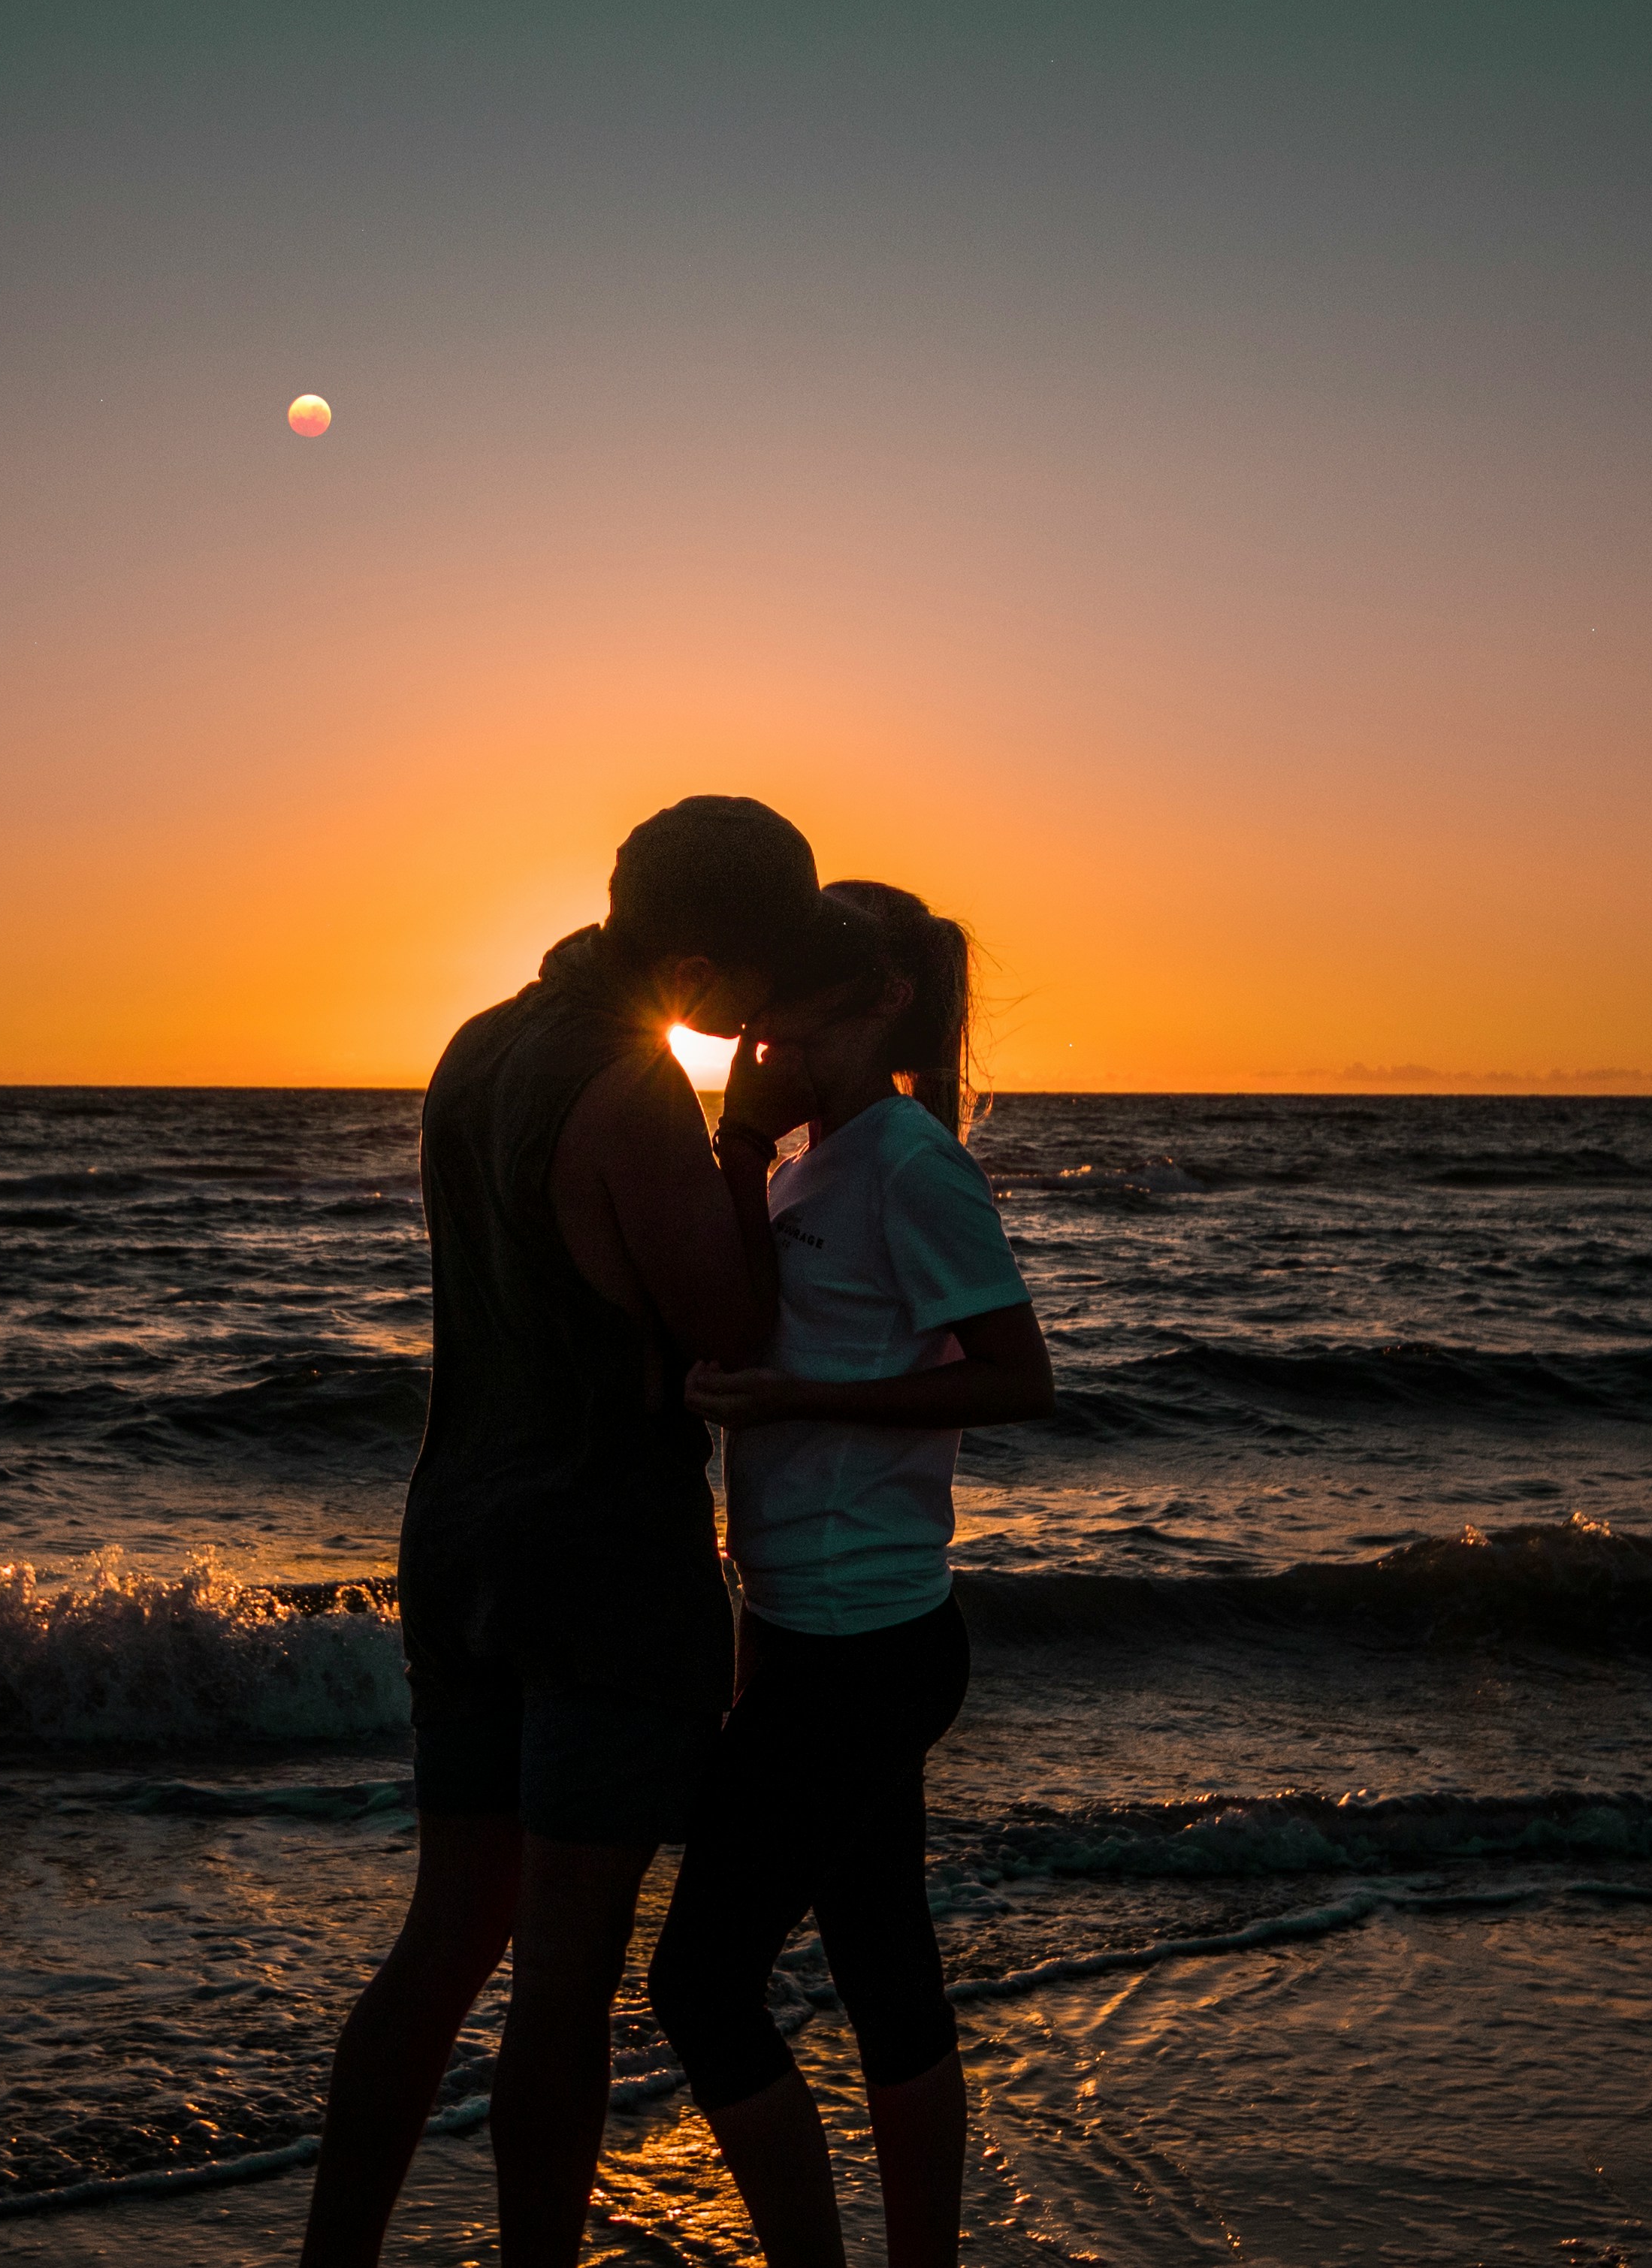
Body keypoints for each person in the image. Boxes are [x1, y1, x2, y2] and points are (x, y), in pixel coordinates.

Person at [299, 795, 838, 2268]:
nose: (763, 1008)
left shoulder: (475, 1047)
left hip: (459, 1522)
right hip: (597, 1553)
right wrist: (744, 1149)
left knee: (445, 1933)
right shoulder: (630, 1086)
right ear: (710, 956)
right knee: (564, 1979)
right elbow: (728, 1327)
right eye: (760, 976)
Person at [648, 880, 1053, 2268]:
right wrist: (739, 1157)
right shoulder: (814, 1161)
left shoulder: (907, 1161)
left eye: (792, 1023)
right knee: (886, 1971)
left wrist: (804, 1407)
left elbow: (1016, 1377)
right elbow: (768, 1320)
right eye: (761, 1025)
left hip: (865, 1645)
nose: (768, 1044)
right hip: (812, 1628)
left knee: (698, 1987)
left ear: (880, 1003)